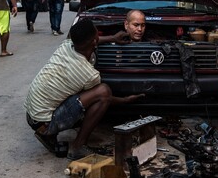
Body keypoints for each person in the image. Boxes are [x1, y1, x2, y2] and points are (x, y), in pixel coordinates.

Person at [24, 18, 144, 160]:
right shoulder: (89, 75)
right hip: (45, 123)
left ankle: (49, 135)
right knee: (103, 92)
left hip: (32, 116)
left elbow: (91, 41)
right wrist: (125, 100)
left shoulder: (66, 45)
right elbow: (106, 98)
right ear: (94, 41)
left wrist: (112, 38)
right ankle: (77, 147)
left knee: (72, 93)